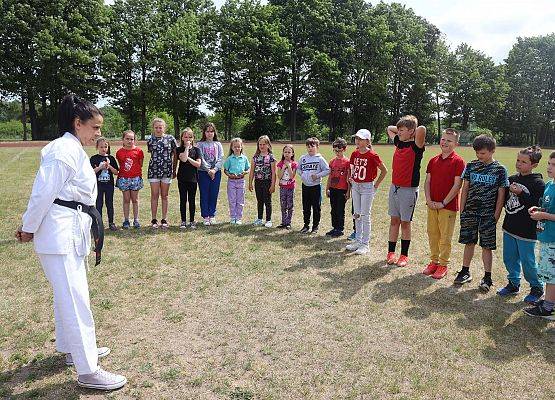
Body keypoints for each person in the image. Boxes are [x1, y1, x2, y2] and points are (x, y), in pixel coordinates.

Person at [16, 94, 127, 390]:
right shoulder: (63, 150)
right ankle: (88, 369)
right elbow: (43, 192)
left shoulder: (72, 148)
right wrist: (28, 227)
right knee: (76, 300)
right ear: (78, 124)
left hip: (70, 232)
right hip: (58, 234)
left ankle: (71, 349)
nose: (99, 134)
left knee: (69, 295)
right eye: (96, 127)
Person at [455, 134, 508, 292]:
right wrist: (462, 209)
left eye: (483, 153)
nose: (479, 156)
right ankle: (465, 271)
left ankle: (487, 276)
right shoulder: (471, 166)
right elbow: (465, 188)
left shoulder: (500, 170)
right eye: (477, 153)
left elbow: (501, 194)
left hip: (487, 215)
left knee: (486, 246)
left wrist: (496, 215)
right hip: (470, 212)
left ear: (492, 151)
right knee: (468, 242)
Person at [498, 146, 545, 303]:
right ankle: (513, 283)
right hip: (510, 227)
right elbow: (504, 201)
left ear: (534, 165)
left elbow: (535, 206)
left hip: (526, 231)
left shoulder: (538, 184)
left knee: (528, 262)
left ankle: (536, 287)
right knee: (509, 258)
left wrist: (522, 193)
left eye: (524, 162)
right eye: (518, 160)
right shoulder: (511, 179)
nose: (519, 164)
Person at [422, 128, 466, 279]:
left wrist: (443, 202)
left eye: (449, 140)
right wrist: (428, 200)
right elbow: (427, 182)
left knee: (445, 237)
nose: (445, 142)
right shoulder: (433, 160)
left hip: (447, 206)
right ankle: (434, 261)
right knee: (432, 233)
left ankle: (443, 264)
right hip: (432, 204)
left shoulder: (459, 162)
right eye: (443, 139)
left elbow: (457, 185)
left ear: (456, 144)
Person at [386, 115, 426, 267]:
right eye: (399, 130)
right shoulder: (398, 142)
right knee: (394, 220)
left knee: (405, 223)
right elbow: (390, 129)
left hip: (408, 190)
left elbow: (422, 129)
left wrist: (411, 131)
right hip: (394, 187)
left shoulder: (417, 146)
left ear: (411, 131)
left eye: (402, 130)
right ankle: (391, 252)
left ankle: (404, 255)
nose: (398, 132)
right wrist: (402, 130)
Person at [345, 130, 387, 255]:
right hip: (356, 186)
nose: (357, 141)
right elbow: (352, 168)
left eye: (361, 139)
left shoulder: (373, 155)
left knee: (365, 215)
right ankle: (358, 240)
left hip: (367, 187)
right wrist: (352, 179)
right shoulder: (354, 154)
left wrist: (376, 185)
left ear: (367, 141)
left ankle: (365, 244)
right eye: (356, 138)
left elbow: (384, 171)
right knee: (356, 213)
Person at [525, 151, 555, 320]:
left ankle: (548, 309)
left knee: (552, 274)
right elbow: (549, 208)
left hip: (553, 239)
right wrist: (539, 210)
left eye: (554, 165)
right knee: (547, 271)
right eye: (549, 163)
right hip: (546, 237)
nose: (549, 167)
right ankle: (548, 300)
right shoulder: (550, 184)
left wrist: (543, 216)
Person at [147, 118, 177, 229]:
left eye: (160, 127)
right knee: (154, 195)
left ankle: (164, 219)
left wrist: (174, 169)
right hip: (153, 171)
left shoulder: (170, 139)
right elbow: (151, 153)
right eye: (156, 127)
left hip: (166, 171)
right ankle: (154, 219)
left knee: (164, 195)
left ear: (164, 128)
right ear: (153, 128)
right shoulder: (150, 140)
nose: (158, 129)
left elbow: (175, 155)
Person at [298, 137, 330, 234]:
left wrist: (317, 176)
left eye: (312, 146)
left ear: (317, 147)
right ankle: (306, 225)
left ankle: (315, 227)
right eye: (308, 146)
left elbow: (328, 170)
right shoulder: (303, 158)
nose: (310, 148)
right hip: (305, 186)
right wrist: (302, 174)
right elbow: (298, 169)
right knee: (306, 207)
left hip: (316, 187)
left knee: (316, 207)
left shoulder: (320, 159)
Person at [115, 130, 144, 229]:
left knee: (135, 200)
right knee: (126, 200)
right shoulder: (119, 152)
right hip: (124, 178)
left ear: (134, 140)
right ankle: (126, 220)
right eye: (127, 139)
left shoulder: (139, 151)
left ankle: (136, 220)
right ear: (123, 139)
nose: (129, 141)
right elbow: (121, 165)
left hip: (135, 178)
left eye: (132, 139)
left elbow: (140, 163)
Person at [197, 122, 224, 225]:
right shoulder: (200, 144)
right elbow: (201, 158)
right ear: (204, 132)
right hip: (203, 172)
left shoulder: (218, 144)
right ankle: (205, 216)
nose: (209, 133)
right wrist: (208, 170)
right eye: (207, 131)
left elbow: (221, 158)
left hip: (216, 173)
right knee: (204, 194)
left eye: (211, 131)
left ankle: (212, 214)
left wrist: (214, 170)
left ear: (214, 132)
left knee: (214, 193)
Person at [90, 137, 119, 231]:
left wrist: (109, 166)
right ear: (97, 147)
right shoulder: (94, 158)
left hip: (109, 185)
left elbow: (116, 172)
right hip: (98, 185)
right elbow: (90, 172)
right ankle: (99, 223)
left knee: (109, 203)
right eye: (101, 147)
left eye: (105, 146)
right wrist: (100, 167)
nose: (103, 149)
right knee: (99, 203)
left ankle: (111, 222)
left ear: (108, 147)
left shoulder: (111, 158)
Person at [175, 127, 202, 229]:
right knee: (183, 199)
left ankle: (192, 221)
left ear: (193, 138)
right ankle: (183, 221)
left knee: (192, 200)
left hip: (193, 179)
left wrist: (189, 158)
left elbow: (198, 164)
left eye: (190, 137)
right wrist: (186, 148)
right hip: (182, 178)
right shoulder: (179, 149)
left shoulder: (197, 150)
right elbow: (183, 158)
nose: (188, 139)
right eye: (185, 137)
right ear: (182, 138)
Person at [249, 135, 276, 227]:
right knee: (259, 201)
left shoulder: (271, 157)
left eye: (264, 144)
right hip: (258, 182)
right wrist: (250, 183)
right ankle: (259, 219)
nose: (262, 146)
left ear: (268, 145)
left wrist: (273, 185)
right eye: (260, 144)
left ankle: (268, 220)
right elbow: (252, 171)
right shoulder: (255, 157)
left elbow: (273, 173)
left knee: (267, 201)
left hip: (267, 182)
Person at [325, 138, 351, 237]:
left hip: (342, 189)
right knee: (333, 209)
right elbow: (330, 176)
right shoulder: (332, 161)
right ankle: (334, 227)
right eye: (335, 150)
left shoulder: (347, 162)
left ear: (344, 149)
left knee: (340, 209)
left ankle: (340, 229)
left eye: (339, 151)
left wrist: (348, 191)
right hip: (333, 189)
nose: (337, 153)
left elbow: (349, 178)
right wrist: (327, 188)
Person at [224, 138, 250, 224]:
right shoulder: (229, 159)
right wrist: (229, 175)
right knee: (232, 200)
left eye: (239, 147)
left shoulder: (244, 158)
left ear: (241, 147)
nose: (237, 148)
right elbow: (225, 170)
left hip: (241, 181)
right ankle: (232, 217)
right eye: (235, 147)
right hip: (231, 181)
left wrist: (244, 172)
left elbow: (248, 168)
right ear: (232, 148)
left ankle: (239, 218)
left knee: (240, 200)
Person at [276, 144, 298, 229]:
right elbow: (280, 176)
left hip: (290, 188)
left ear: (292, 154)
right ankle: (283, 222)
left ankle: (288, 222)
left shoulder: (294, 164)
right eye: (285, 152)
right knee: (283, 205)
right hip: (282, 188)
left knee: (290, 205)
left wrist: (288, 166)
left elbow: (292, 176)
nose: (287, 154)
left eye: (289, 152)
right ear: (283, 153)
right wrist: (283, 167)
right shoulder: (280, 164)